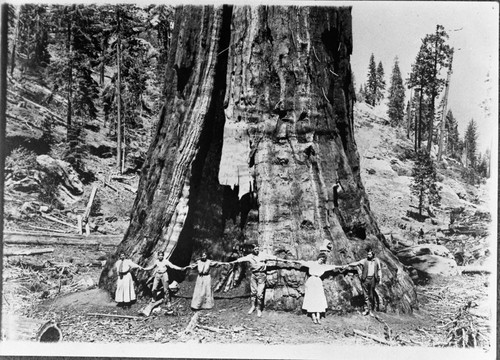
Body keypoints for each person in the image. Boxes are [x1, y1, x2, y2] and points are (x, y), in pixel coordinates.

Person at [231, 244, 289, 317]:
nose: (257, 250)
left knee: (259, 294)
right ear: (252, 250)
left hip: (261, 276)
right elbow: (241, 259)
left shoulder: (263, 255)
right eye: (255, 249)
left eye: (258, 249)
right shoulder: (250, 256)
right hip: (253, 276)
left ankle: (259, 309)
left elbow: (273, 257)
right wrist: (229, 262)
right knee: (253, 292)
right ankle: (253, 306)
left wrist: (284, 260)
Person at [296, 253, 342, 324]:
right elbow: (302, 262)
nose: (321, 261)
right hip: (311, 281)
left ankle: (318, 317)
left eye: (323, 260)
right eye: (321, 259)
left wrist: (342, 266)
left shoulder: (323, 266)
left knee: (319, 298)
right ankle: (313, 317)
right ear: (318, 258)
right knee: (312, 297)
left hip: (318, 282)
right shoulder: (312, 263)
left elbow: (332, 266)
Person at [343, 247, 382, 316]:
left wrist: (380, 279)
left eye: (369, 254)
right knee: (365, 295)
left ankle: (371, 310)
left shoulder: (376, 261)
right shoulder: (364, 261)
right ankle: (366, 309)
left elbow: (379, 270)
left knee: (371, 295)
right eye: (368, 254)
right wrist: (348, 265)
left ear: (373, 255)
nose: (368, 255)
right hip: (365, 279)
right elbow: (356, 263)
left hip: (373, 279)